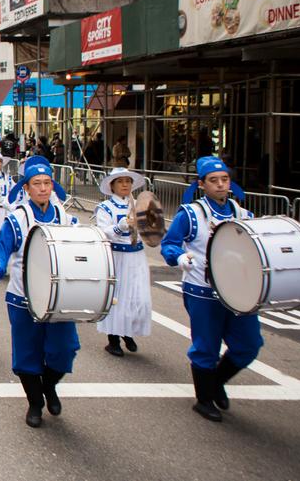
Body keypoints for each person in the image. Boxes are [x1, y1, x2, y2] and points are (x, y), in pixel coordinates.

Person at [160, 156, 261, 423]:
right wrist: (179, 257)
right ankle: (204, 399)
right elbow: (170, 244)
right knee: (206, 346)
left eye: (224, 179)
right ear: (201, 184)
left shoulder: (242, 213)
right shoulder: (191, 213)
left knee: (249, 344)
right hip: (202, 290)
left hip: (239, 290)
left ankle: (215, 382)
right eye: (213, 180)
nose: (220, 185)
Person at [0, 157, 79, 428]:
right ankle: (35, 402)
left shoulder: (64, 217)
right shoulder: (17, 218)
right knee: (27, 352)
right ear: (26, 188)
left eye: (47, 183)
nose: (43, 188)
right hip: (22, 296)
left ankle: (48, 385)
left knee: (65, 349)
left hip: (58, 296)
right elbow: (3, 248)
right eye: (37, 183)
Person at [94, 167, 151, 357]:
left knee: (138, 297)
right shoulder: (105, 207)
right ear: (112, 186)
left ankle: (128, 332)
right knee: (117, 298)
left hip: (137, 256)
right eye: (120, 181)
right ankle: (113, 340)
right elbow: (102, 232)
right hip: (117, 256)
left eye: (128, 181)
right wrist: (121, 226)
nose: (125, 184)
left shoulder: (139, 206)